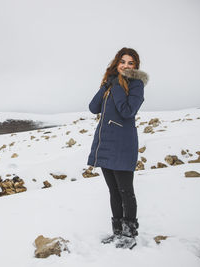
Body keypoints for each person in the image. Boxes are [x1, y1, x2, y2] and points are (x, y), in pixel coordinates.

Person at [87, 47, 149, 249]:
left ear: (135, 66)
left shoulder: (136, 84)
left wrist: (115, 88)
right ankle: (117, 233)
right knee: (113, 191)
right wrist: (106, 84)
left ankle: (129, 235)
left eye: (131, 63)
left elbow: (128, 111)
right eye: (123, 61)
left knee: (125, 191)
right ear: (116, 62)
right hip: (105, 143)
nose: (126, 65)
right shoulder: (111, 82)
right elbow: (93, 108)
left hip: (123, 144)